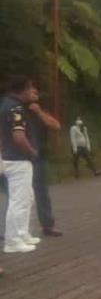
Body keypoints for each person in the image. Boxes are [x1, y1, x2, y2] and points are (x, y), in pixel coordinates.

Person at [1, 76, 41, 253]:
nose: (32, 92)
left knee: (27, 198)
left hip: (11, 157)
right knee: (19, 200)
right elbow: (19, 137)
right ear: (23, 89)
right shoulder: (16, 108)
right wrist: (31, 152)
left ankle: (22, 232)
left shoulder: (6, 104)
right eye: (30, 88)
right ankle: (12, 240)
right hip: (18, 159)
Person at [26, 89, 63, 236]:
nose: (35, 94)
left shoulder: (40, 111)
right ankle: (15, 228)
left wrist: (39, 112)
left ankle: (48, 225)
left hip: (39, 156)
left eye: (36, 92)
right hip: (20, 156)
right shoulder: (16, 108)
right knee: (17, 193)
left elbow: (56, 126)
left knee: (41, 191)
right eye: (31, 91)